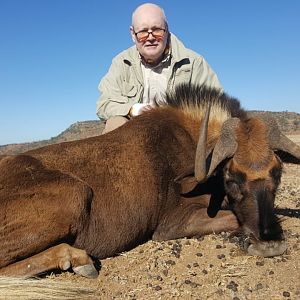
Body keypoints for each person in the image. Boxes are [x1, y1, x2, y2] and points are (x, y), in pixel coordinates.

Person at [96, 3, 223, 134]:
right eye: (143, 32)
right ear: (133, 34)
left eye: (156, 30)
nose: (150, 38)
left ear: (166, 30)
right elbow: (104, 104)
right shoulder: (121, 64)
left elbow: (217, 106)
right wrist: (133, 109)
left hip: (180, 136)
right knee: (115, 123)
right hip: (135, 137)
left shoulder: (193, 63)